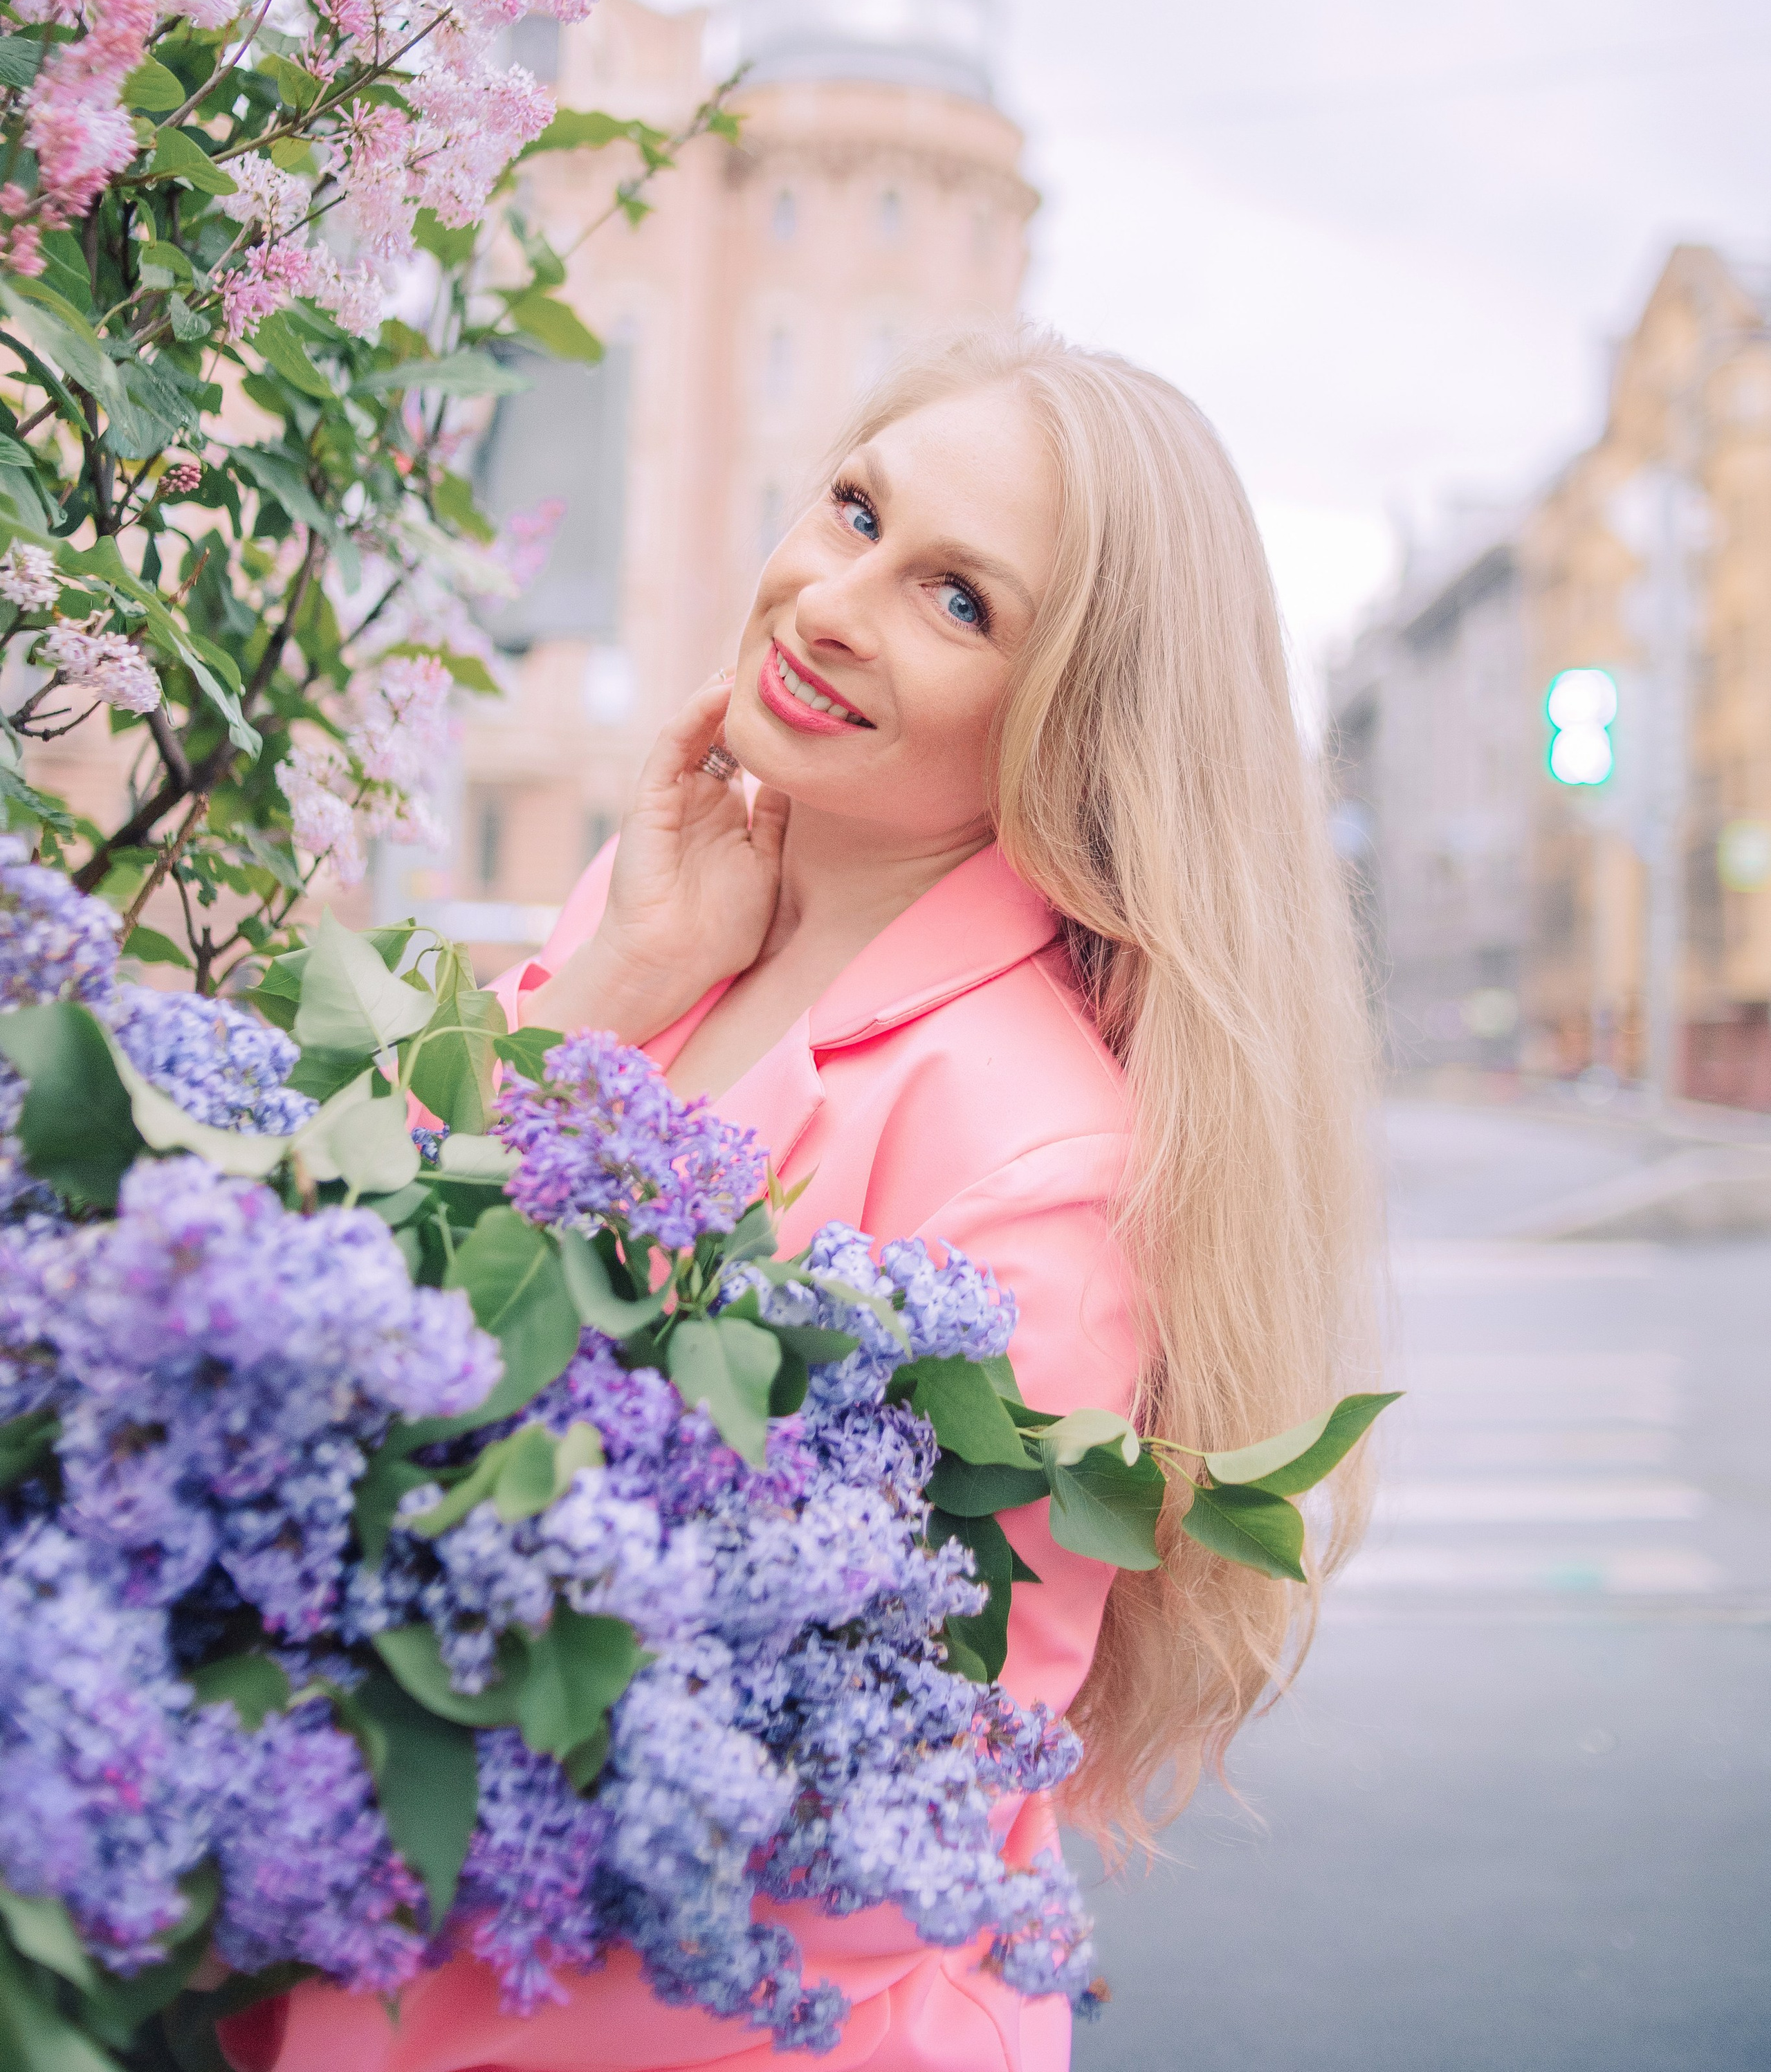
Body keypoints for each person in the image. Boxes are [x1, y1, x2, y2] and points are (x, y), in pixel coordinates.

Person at [231, 327, 1377, 2072]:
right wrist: (613, 982)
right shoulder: (662, 897)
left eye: (956, 600)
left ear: (1075, 715)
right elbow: (363, 1290)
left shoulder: (1033, 1159)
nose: (830, 603)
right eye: (853, 510)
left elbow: (876, 1819)